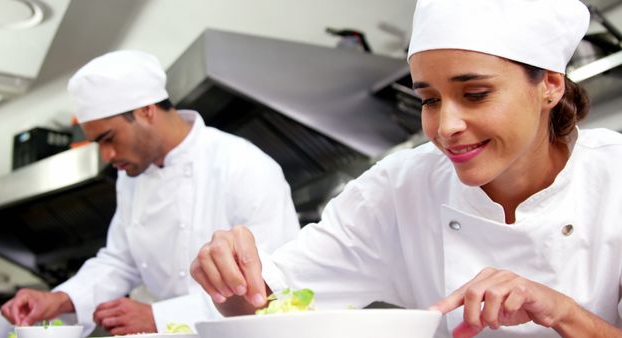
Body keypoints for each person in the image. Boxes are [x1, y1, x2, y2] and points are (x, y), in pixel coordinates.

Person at [189, 0, 622, 337]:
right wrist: (230, 276)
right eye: (429, 100)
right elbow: (266, 307)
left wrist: (563, 312)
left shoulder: (614, 178)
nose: (446, 127)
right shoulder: (397, 190)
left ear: (549, 84)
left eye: (474, 94)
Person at [0, 50, 300, 336]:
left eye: (108, 138)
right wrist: (61, 299)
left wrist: (160, 317)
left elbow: (275, 281)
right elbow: (121, 260)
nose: (106, 155)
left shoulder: (245, 165)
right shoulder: (131, 177)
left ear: (146, 110)